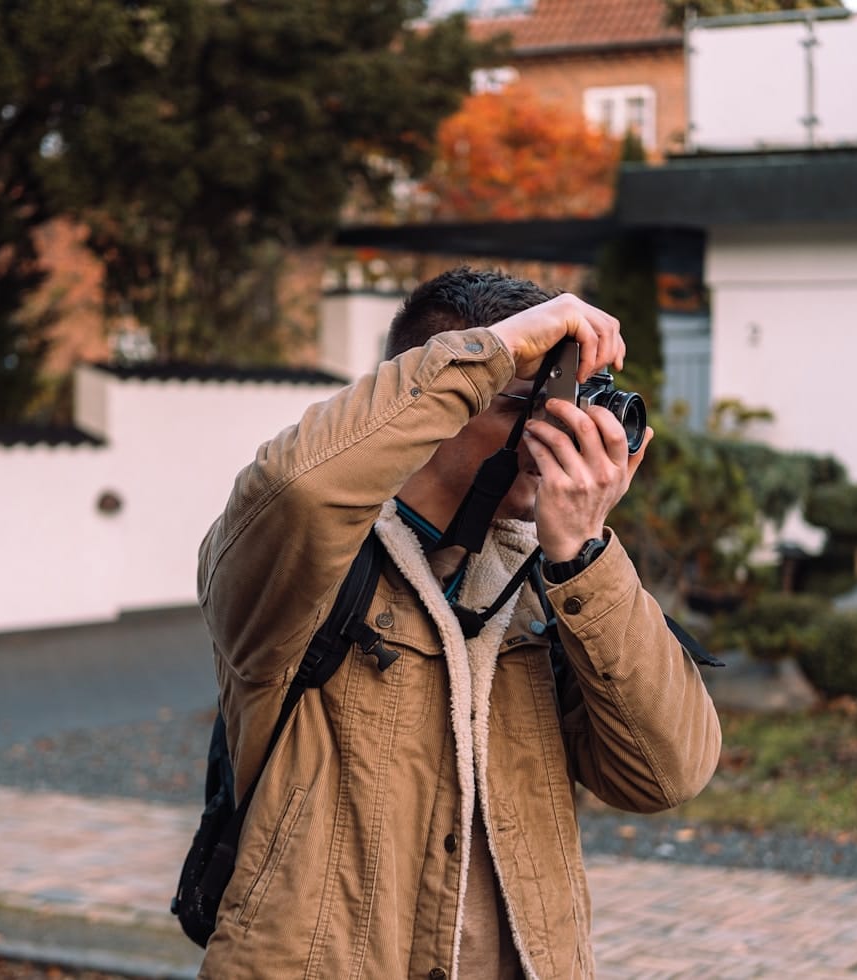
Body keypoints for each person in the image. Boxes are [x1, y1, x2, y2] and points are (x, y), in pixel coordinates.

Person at [195, 267, 721, 979]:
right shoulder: (305, 569)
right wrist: (494, 353)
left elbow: (667, 772)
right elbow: (297, 490)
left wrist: (583, 556)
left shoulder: (551, 579)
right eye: (534, 402)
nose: (563, 428)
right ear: (442, 404)